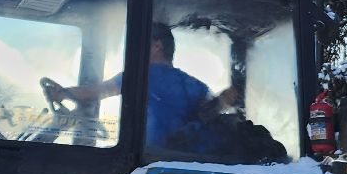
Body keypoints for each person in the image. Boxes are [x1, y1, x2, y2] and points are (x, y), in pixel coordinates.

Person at [43, 22, 234, 153]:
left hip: (151, 159)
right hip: (176, 159)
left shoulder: (144, 76)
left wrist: (62, 93)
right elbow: (209, 112)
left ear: (157, 46)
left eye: (141, 43)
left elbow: (96, 91)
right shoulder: (195, 85)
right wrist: (222, 101)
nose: (135, 51)